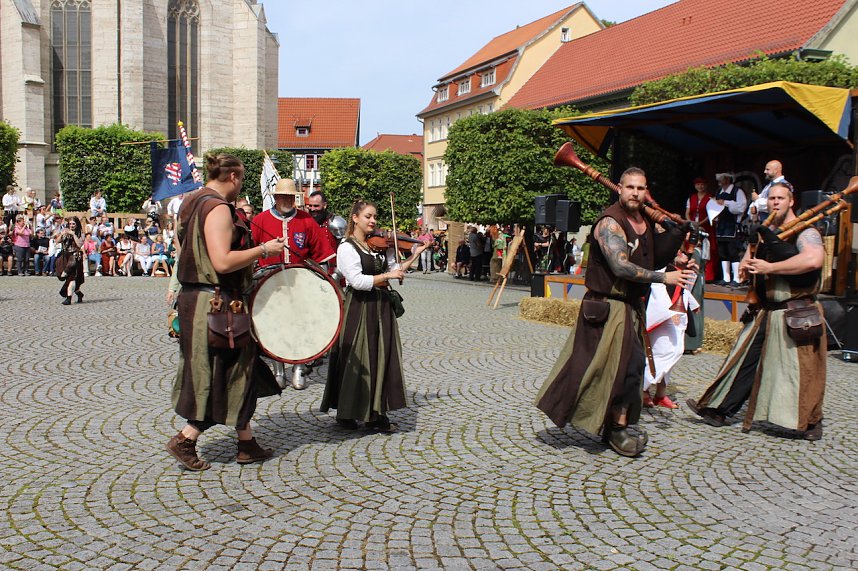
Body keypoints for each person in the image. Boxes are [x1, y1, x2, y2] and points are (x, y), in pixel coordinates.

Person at [535, 167, 694, 457]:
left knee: (627, 370)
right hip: (608, 306)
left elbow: (655, 257)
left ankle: (612, 426)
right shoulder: (610, 222)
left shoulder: (644, 219)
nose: (635, 193)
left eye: (640, 188)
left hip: (631, 306)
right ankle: (614, 430)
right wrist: (664, 279)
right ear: (619, 188)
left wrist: (677, 233)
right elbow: (621, 266)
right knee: (600, 370)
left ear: (646, 191)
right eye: (630, 187)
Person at [165, 153, 286, 471]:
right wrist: (264, 249)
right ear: (232, 176)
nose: (241, 184)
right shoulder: (216, 207)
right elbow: (221, 261)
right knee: (222, 373)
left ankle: (246, 443)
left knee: (241, 370)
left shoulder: (190, 202)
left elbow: (184, 251)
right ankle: (186, 439)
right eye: (241, 177)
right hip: (216, 304)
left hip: (203, 300)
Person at [687, 182, 826, 440]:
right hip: (764, 310)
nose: (775, 203)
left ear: (791, 201)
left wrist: (769, 269)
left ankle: (810, 423)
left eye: (780, 198)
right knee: (742, 359)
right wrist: (745, 264)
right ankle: (718, 409)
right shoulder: (769, 230)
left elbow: (813, 260)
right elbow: (753, 258)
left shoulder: (806, 231)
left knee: (800, 370)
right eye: (772, 198)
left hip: (793, 310)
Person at [320, 200, 431, 432]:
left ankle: (375, 413)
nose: (373, 221)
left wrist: (414, 255)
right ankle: (348, 412)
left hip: (381, 305)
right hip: (359, 307)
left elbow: (395, 269)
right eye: (368, 216)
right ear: (355, 218)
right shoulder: (347, 247)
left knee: (381, 356)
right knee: (359, 357)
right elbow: (358, 282)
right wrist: (388, 275)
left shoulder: (380, 245)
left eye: (375, 217)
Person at [251, 179, 335, 390]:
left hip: (301, 285)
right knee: (273, 328)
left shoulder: (307, 221)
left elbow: (321, 254)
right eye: (283, 197)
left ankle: (299, 368)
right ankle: (278, 371)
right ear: (276, 198)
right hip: (269, 286)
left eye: (290, 197)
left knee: (301, 326)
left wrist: (322, 283)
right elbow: (250, 253)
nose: (287, 200)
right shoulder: (260, 221)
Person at [643, 248, 699, 408]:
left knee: (672, 353)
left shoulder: (678, 261)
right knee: (664, 352)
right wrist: (668, 311)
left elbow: (683, 287)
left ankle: (660, 394)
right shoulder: (661, 261)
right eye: (680, 252)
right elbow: (656, 286)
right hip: (664, 313)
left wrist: (692, 303)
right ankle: (642, 388)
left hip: (678, 311)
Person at [713, 172, 748, 287]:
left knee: (733, 252)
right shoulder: (719, 192)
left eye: (721, 178)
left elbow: (741, 207)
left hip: (732, 225)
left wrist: (726, 203)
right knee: (723, 252)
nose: (719, 180)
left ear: (728, 179)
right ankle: (726, 278)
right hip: (721, 226)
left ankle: (737, 278)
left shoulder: (737, 191)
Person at [685, 177, 717, 282]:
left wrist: (700, 223)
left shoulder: (710, 197)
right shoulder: (692, 197)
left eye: (702, 184)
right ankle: (691, 272)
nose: (700, 186)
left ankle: (709, 276)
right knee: (692, 247)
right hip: (693, 226)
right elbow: (687, 211)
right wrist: (690, 222)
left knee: (708, 250)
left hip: (706, 226)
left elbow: (711, 213)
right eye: (698, 184)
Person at [56, 216, 85, 304]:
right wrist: (61, 234)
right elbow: (57, 241)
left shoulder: (80, 233)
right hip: (65, 256)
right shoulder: (65, 231)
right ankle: (79, 293)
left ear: (77, 224)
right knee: (65, 277)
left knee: (72, 278)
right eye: (70, 224)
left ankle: (69, 298)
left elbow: (79, 244)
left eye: (73, 224)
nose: (71, 225)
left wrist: (73, 234)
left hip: (75, 257)